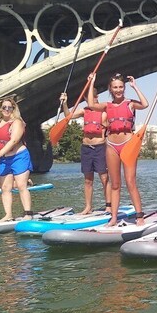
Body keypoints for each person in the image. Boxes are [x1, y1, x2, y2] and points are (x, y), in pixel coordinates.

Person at [99, 73, 149, 226]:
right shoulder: (106, 106)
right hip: (111, 145)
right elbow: (92, 105)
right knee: (115, 184)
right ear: (110, 89)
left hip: (128, 144)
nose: (118, 90)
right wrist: (91, 82)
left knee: (130, 182)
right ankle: (114, 217)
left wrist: (135, 87)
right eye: (115, 87)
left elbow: (145, 104)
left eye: (121, 87)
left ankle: (139, 216)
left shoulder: (130, 104)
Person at [0, 96, 33, 221]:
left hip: (19, 157)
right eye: (4, 107)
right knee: (5, 188)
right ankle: (8, 215)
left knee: (21, 185)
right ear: (0, 109)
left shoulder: (17, 122)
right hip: (4, 159)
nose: (7, 110)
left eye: (10, 107)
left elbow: (14, 140)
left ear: (13, 109)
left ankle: (28, 214)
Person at [60, 81, 109, 215]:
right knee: (88, 180)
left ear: (97, 97)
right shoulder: (84, 111)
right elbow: (68, 116)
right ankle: (88, 207)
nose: (90, 101)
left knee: (104, 178)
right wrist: (64, 103)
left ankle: (109, 205)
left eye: (92, 98)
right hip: (86, 148)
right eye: (87, 99)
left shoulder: (104, 113)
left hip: (100, 147)